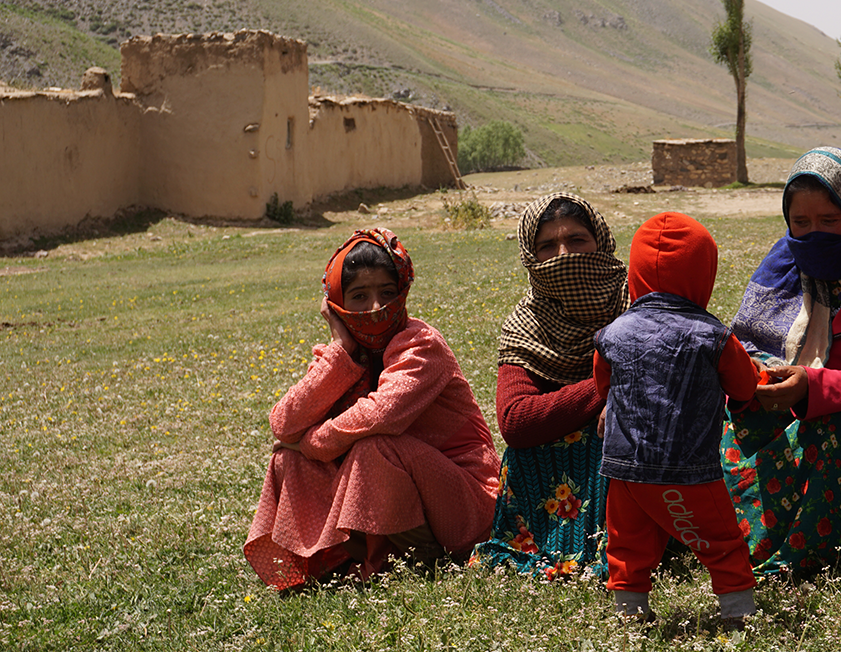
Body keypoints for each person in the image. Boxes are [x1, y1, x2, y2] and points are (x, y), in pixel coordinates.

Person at [244, 229, 500, 589]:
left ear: (403, 292)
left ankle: (421, 558)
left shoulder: (422, 344)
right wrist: (341, 349)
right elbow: (284, 424)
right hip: (394, 487)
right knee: (289, 460)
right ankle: (341, 559)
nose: (376, 308)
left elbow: (380, 415)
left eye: (387, 293)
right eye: (359, 297)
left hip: (463, 502)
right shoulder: (342, 355)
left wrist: (311, 443)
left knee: (373, 447)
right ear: (337, 304)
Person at [722, 147, 841, 576]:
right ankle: (729, 533)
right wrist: (761, 375)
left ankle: (821, 540)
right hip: (782, 402)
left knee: (828, 432)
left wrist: (816, 386)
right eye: (800, 223)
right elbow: (744, 342)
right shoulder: (782, 263)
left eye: (829, 221)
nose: (813, 235)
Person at [595, 212, 759, 623]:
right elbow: (745, 386)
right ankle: (737, 610)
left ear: (634, 273)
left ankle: (630, 612)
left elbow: (604, 387)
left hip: (624, 470)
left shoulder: (612, 333)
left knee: (627, 541)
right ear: (704, 272)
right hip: (688, 469)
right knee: (720, 540)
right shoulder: (714, 336)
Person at [472, 193, 628, 580]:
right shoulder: (526, 324)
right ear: (531, 256)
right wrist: (610, 386)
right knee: (526, 453)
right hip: (552, 463)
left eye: (577, 240)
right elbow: (515, 420)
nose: (563, 255)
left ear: (601, 243)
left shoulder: (636, 302)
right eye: (547, 246)